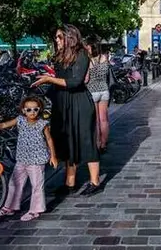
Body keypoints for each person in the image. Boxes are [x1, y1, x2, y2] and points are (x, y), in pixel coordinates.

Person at [31, 25, 102, 196]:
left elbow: (75, 82)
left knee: (86, 141)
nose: (56, 40)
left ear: (69, 37)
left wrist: (49, 79)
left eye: (59, 37)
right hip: (62, 102)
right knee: (66, 141)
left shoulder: (81, 54)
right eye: (55, 37)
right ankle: (69, 182)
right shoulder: (60, 56)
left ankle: (95, 181)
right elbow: (60, 81)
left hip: (79, 102)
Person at [0, 96, 57, 222]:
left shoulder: (43, 124)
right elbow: (4, 124)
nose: (32, 112)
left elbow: (49, 139)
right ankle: (10, 207)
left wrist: (53, 156)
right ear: (23, 110)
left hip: (37, 160)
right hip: (22, 158)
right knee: (14, 183)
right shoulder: (20, 120)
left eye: (35, 109)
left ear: (40, 110)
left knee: (37, 185)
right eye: (29, 109)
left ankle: (35, 210)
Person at [85, 39, 111, 152]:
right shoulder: (104, 58)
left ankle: (97, 143)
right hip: (104, 91)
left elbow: (86, 79)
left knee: (96, 120)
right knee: (104, 119)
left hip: (92, 91)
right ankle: (104, 143)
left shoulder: (88, 61)